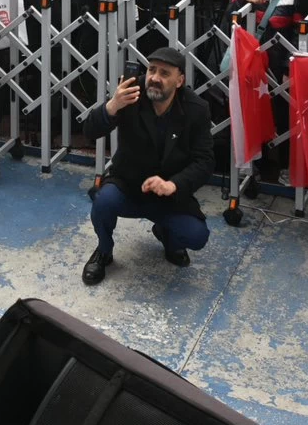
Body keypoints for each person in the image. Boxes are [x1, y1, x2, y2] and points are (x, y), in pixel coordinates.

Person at [79, 46, 213, 284]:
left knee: (197, 236)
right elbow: (90, 131)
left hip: (169, 193)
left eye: (164, 73)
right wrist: (112, 106)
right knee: (103, 201)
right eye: (151, 70)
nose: (154, 78)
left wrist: (174, 185)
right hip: (127, 184)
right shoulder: (130, 94)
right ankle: (104, 250)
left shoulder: (196, 109)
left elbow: (205, 161)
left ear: (179, 80)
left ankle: (167, 236)